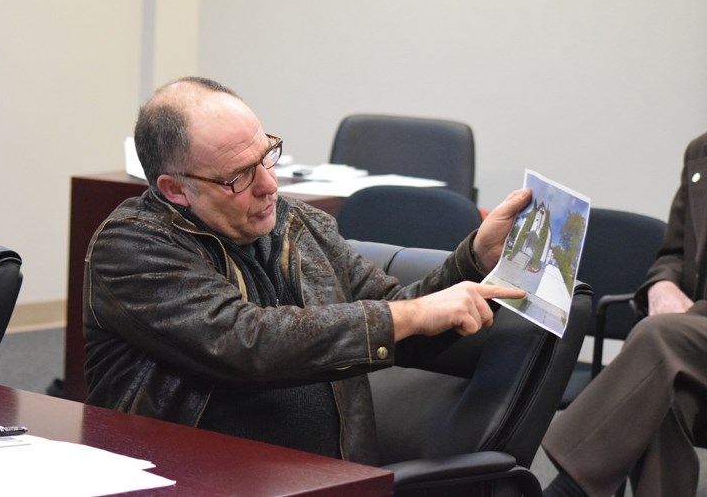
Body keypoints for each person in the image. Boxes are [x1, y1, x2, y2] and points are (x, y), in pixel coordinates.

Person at [83, 76, 529, 465]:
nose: (269, 184)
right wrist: (405, 317)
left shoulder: (301, 225)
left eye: (267, 154)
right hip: (190, 479)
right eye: (239, 175)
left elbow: (396, 315)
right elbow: (245, 341)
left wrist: (475, 258)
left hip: (327, 479)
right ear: (175, 189)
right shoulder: (132, 245)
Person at [542, 132, 707, 497]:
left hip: (686, 333)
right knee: (663, 392)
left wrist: (690, 313)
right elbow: (673, 254)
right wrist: (661, 285)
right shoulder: (701, 151)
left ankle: (568, 489)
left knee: (656, 337)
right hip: (693, 349)